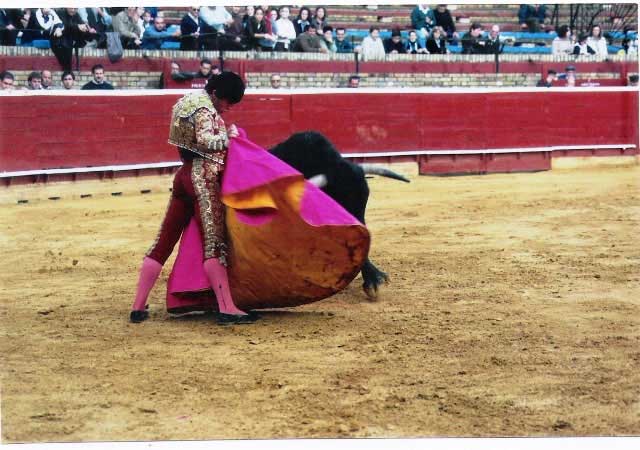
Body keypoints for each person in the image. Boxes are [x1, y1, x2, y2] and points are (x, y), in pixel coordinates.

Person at [130, 71, 258, 325]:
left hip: (184, 175)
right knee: (214, 243)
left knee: (164, 240)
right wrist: (228, 138)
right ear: (215, 94)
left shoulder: (186, 101)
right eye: (227, 102)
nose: (228, 108)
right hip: (203, 178)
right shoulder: (204, 109)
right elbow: (204, 140)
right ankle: (227, 307)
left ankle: (138, 306)